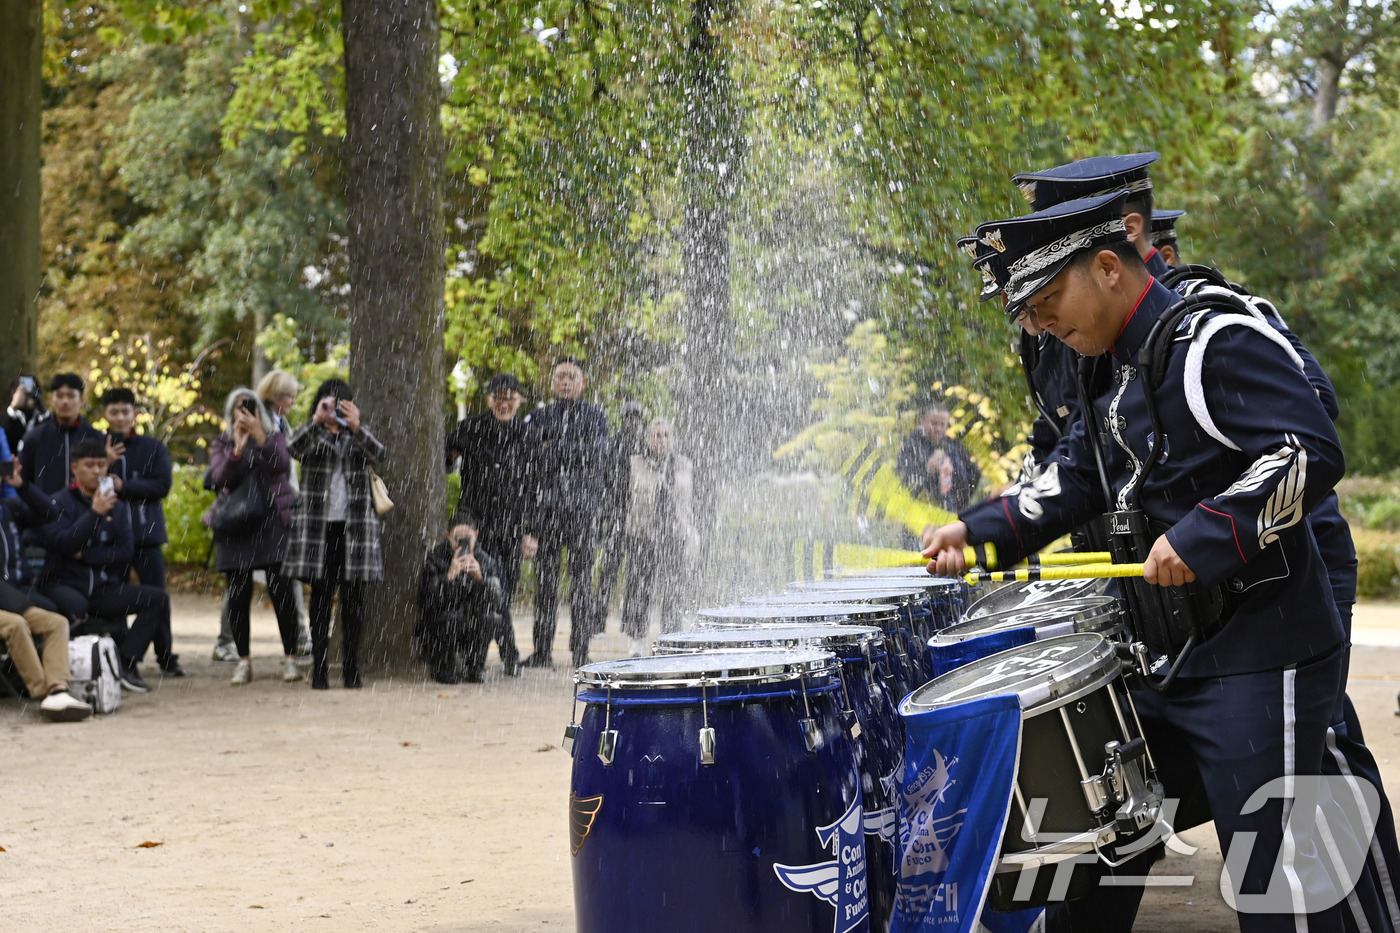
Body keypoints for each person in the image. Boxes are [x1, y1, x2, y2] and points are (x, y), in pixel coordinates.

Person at [924, 189, 1377, 931]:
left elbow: (1309, 448)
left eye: (1043, 301)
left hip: (1262, 655)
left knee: (1287, 893)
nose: (1038, 324)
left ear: (1107, 266)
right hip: (1166, 659)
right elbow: (1074, 474)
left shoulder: (1213, 337)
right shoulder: (1106, 366)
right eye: (1027, 313)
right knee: (1086, 845)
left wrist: (1203, 537)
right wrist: (977, 531)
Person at [41, 437, 171, 693]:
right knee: (75, 607)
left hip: (102, 590)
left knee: (158, 599)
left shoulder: (118, 506)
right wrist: (95, 513)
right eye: (89, 465)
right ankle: (71, 674)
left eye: (102, 465)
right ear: (74, 468)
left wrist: (86, 554)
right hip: (65, 585)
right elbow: (63, 545)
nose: (97, 471)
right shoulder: (59, 503)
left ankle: (126, 664)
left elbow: (124, 552)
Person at [282, 378, 387, 690]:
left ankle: (352, 667)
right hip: (319, 528)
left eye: (339, 403)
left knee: (354, 600)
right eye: (327, 402)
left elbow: (380, 454)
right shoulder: (312, 434)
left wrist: (356, 426)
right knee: (321, 598)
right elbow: (292, 449)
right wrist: (316, 421)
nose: (332, 409)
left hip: (355, 529)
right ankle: (320, 668)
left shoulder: (357, 435)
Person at [209, 389, 303, 686]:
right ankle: (243, 661)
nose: (244, 414)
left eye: (249, 408)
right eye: (238, 409)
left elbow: (282, 465)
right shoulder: (222, 442)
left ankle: (290, 659)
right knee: (237, 593)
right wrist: (237, 448)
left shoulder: (272, 436)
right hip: (236, 523)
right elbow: (221, 478)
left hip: (272, 519)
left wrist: (260, 436)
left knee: (282, 589)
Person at [521, 358, 609, 670]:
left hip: (584, 512)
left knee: (581, 585)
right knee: (545, 585)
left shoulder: (596, 416)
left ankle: (580, 651)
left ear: (583, 382)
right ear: (552, 382)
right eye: (560, 376)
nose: (566, 382)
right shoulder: (540, 415)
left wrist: (554, 447)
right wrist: (567, 449)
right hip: (547, 511)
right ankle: (542, 650)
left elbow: (597, 454)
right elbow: (531, 459)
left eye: (572, 376)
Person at [444, 372, 534, 677]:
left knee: (502, 592)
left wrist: (531, 531)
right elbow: (444, 461)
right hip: (477, 525)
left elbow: (536, 487)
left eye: (510, 397)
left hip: (512, 526)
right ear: (488, 400)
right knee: (482, 588)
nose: (504, 403)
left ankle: (503, 656)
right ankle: (494, 657)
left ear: (520, 401)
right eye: (498, 397)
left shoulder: (529, 434)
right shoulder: (469, 428)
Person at [100, 387, 182, 677]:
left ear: (135, 414)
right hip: (110, 537)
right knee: (117, 597)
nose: (120, 417)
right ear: (105, 414)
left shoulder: (152, 447)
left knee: (157, 596)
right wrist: (106, 464)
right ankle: (124, 656)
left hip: (147, 533)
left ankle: (166, 656)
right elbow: (86, 483)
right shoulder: (97, 446)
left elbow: (161, 486)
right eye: (114, 412)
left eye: (126, 411)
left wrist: (125, 487)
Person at [0, 459, 91, 720]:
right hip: (11, 602)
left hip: (12, 596)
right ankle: (44, 694)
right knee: (16, 624)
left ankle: (59, 687)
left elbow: (51, 513)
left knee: (56, 622)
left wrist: (22, 486)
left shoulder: (7, 509)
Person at [619, 419, 696, 657]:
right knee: (639, 589)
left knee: (673, 590)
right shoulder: (635, 463)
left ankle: (670, 640)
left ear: (672, 439)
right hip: (643, 535)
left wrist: (691, 531)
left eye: (665, 435)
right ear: (648, 439)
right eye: (656, 436)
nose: (661, 440)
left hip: (674, 535)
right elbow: (623, 499)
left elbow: (690, 501)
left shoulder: (683, 464)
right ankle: (637, 643)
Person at [257, 369, 312, 659]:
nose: (293, 400)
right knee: (261, 574)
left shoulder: (283, 423)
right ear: (277, 396)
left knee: (286, 572)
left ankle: (299, 634)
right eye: (290, 395)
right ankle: (227, 639)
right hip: (269, 510)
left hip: (286, 506)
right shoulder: (263, 423)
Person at [416, 512, 505, 684]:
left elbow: (497, 602)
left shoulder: (485, 560)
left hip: (472, 624)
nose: (461, 544)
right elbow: (427, 601)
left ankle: (474, 668)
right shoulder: (436, 557)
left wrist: (481, 579)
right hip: (442, 625)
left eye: (467, 539)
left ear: (476, 535)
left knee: (491, 617)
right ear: (448, 536)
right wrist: (448, 577)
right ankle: (442, 667)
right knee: (450, 617)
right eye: (457, 539)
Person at [594, 400, 646, 636]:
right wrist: (606, 514)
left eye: (637, 418)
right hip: (617, 514)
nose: (633, 422)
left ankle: (631, 623)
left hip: (637, 516)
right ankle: (597, 621)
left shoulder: (645, 447)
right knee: (609, 571)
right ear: (623, 420)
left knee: (637, 571)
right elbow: (604, 480)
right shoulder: (612, 445)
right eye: (629, 418)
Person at [17, 373, 103, 497]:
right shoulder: (34, 438)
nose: (65, 401)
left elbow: (106, 478)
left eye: (71, 396)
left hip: (89, 512)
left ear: (82, 400)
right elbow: (23, 481)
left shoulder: (96, 438)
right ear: (51, 399)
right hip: (45, 511)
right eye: (59, 395)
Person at [895, 404, 981, 511]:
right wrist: (927, 469)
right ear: (923, 421)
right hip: (919, 513)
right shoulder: (912, 445)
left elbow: (971, 478)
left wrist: (952, 475)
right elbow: (902, 481)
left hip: (946, 512)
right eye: (934, 423)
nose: (938, 429)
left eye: (942, 424)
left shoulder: (951, 446)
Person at [1, 374, 45, 453]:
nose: (28, 393)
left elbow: (53, 432)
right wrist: (13, 406)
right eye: (23, 391)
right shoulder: (8, 417)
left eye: (32, 390)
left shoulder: (41, 418)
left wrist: (41, 406)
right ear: (13, 392)